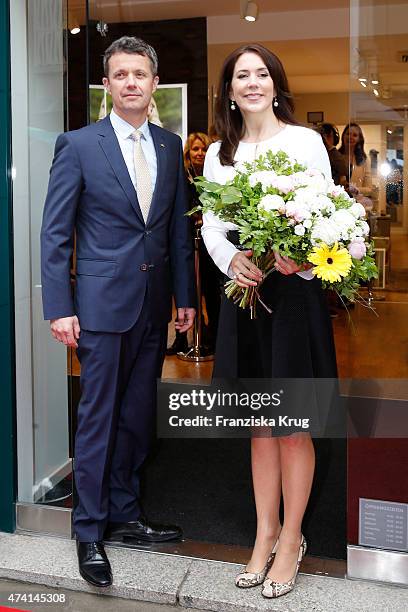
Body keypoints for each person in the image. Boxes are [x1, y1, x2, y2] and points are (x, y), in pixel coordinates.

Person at [40, 36, 195, 588]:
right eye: (121, 74)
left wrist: (185, 299)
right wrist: (58, 307)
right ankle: (89, 532)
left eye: (140, 74)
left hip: (154, 309)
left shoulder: (171, 146)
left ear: (154, 85)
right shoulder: (78, 145)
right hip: (99, 310)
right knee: (98, 420)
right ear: (107, 85)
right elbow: (56, 233)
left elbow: (176, 229)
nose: (131, 82)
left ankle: (126, 515)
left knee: (135, 419)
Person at [201, 44, 337, 599]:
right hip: (246, 296)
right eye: (241, 76)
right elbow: (212, 225)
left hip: (294, 301)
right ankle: (265, 533)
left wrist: (304, 258)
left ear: (275, 84)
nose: (252, 83)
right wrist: (230, 258)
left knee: (292, 426)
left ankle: (292, 541)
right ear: (229, 92)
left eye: (260, 74)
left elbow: (328, 211)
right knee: (259, 426)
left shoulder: (304, 141)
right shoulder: (219, 153)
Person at [167, 132, 221, 355]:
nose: (200, 153)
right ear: (188, 152)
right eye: (196, 149)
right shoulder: (181, 175)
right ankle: (181, 339)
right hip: (185, 242)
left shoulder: (214, 176)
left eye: (204, 149)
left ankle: (213, 339)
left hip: (210, 244)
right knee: (186, 291)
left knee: (210, 292)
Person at [339, 123, 373, 198]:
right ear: (343, 136)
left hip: (356, 204)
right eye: (348, 134)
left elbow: (369, 189)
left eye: (354, 135)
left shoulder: (365, 159)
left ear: (359, 139)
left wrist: (354, 190)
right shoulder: (336, 156)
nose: (350, 137)